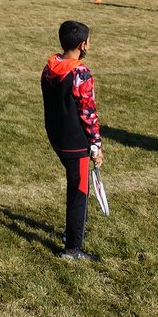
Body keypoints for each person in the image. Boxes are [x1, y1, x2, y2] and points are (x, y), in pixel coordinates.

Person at [40, 20, 103, 262]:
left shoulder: (50, 65)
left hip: (57, 136)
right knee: (79, 192)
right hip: (75, 142)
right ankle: (72, 249)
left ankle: (71, 236)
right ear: (82, 44)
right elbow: (88, 112)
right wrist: (96, 146)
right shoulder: (80, 72)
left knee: (74, 185)